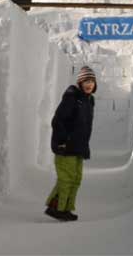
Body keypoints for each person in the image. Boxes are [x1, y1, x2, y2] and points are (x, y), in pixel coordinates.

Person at [44, 65, 96, 221]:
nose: (89, 84)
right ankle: (58, 209)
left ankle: (63, 208)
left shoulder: (89, 100)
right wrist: (62, 142)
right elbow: (58, 120)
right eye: (86, 81)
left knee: (76, 178)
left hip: (78, 147)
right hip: (66, 147)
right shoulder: (72, 97)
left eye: (92, 81)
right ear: (80, 83)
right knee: (66, 179)